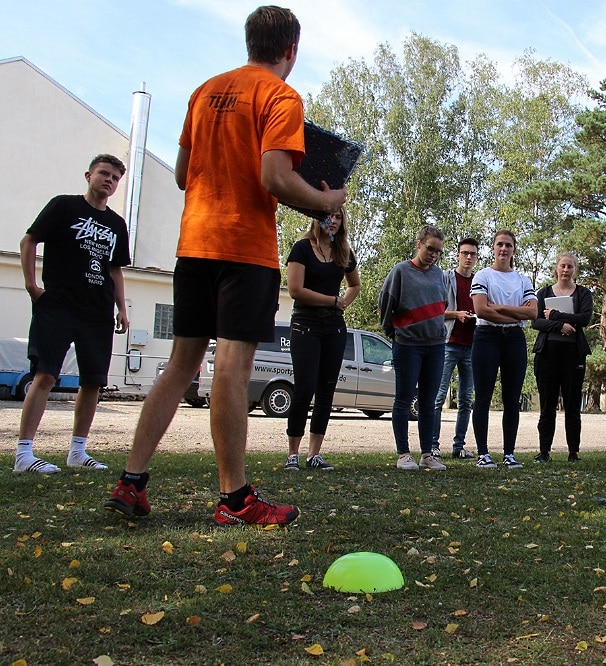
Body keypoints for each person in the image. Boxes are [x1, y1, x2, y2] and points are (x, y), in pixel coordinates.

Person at [104, 6, 347, 526]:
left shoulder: (205, 90)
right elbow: (275, 178)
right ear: (292, 51)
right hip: (242, 250)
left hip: (194, 244)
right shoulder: (281, 96)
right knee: (233, 370)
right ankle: (235, 499)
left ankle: (131, 482)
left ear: (249, 42)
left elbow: (180, 175)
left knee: (180, 365)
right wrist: (328, 202)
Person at [14, 154, 130, 475]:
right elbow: (29, 240)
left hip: (98, 311)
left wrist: (122, 308)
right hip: (59, 305)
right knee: (46, 375)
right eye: (104, 174)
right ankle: (24, 453)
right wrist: (31, 285)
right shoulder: (63, 206)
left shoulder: (117, 224)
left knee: (92, 381)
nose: (109, 180)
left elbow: (115, 269)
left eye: (115, 178)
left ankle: (77, 451)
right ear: (88, 175)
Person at [283, 208, 361, 472]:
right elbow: (295, 290)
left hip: (334, 327)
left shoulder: (344, 252)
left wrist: (343, 304)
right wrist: (331, 300)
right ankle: (292, 453)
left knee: (327, 389)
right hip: (305, 324)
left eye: (338, 217)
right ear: (318, 219)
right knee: (304, 387)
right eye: (329, 217)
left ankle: (314, 454)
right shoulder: (302, 248)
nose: (334, 221)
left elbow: (355, 285)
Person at [378, 226, 448, 471]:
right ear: (419, 244)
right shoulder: (400, 271)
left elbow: (442, 305)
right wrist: (395, 332)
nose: (433, 255)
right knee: (404, 399)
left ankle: (427, 453)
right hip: (408, 346)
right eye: (430, 248)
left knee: (428, 402)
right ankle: (403, 454)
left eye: (438, 251)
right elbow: (385, 304)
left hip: (436, 346)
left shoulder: (440, 274)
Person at [470, 230, 536, 469]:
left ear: (514, 250)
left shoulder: (523, 280)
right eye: (500, 244)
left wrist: (499, 308)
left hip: (514, 341)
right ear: (493, 248)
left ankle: (509, 454)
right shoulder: (483, 275)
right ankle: (483, 454)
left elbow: (532, 312)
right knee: (483, 398)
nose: (504, 249)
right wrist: (514, 314)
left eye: (508, 245)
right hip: (486, 337)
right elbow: (481, 310)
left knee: (512, 399)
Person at [531, 252, 593, 463]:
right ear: (556, 268)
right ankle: (544, 451)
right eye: (563, 266)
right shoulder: (544, 293)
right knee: (547, 404)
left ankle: (573, 451)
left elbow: (584, 318)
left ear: (575, 270)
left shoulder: (583, 294)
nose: (566, 270)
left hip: (573, 354)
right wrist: (561, 326)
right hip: (547, 354)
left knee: (573, 404)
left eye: (570, 267)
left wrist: (555, 315)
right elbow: (536, 321)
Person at [430, 238, 479, 460]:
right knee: (438, 397)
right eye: (465, 253)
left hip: (472, 347)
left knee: (466, 400)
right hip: (448, 344)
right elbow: (434, 310)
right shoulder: (445, 278)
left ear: (477, 258)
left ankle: (459, 447)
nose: (468, 257)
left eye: (473, 254)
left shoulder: (480, 282)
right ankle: (432, 445)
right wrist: (456, 314)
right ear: (458, 255)